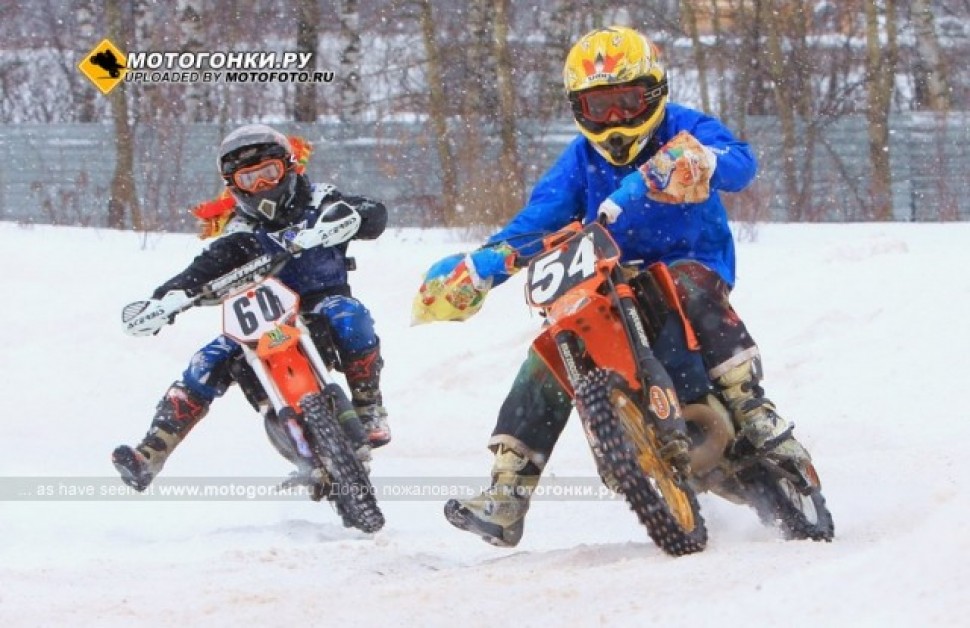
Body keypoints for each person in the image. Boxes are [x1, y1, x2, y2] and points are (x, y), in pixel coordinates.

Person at [413, 26, 811, 547]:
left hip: (687, 261)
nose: (617, 119)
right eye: (599, 107)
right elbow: (540, 217)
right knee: (555, 344)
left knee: (685, 284)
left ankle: (752, 407)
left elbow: (740, 162)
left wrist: (705, 161)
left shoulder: (683, 128)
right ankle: (508, 488)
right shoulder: (579, 160)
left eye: (627, 101)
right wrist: (486, 264)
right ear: (580, 109)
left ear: (654, 93)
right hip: (605, 273)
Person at [113, 123, 391, 492]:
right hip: (265, 318)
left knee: (350, 315)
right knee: (207, 360)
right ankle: (151, 452)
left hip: (321, 305)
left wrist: (350, 218)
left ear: (288, 167)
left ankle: (369, 405)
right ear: (234, 185)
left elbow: (373, 215)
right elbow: (202, 270)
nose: (262, 186)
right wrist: (164, 301)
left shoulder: (320, 201)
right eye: (250, 179)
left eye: (269, 173)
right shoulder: (240, 231)